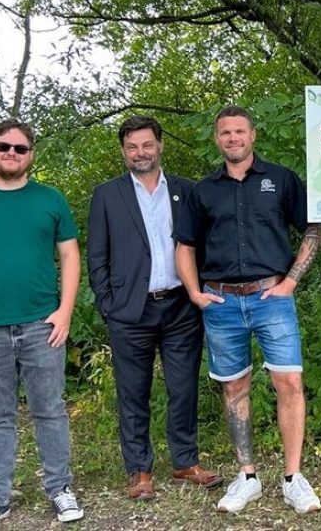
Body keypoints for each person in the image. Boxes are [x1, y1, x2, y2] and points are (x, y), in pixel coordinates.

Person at [175, 105, 321, 514]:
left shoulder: (281, 180)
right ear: (217, 139)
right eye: (225, 133)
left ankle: (293, 478)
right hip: (220, 303)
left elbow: (313, 227)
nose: (233, 138)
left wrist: (291, 280)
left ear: (253, 135)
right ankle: (248, 477)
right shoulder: (203, 191)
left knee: (289, 383)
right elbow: (184, 245)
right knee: (234, 387)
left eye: (240, 131)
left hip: (270, 298)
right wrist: (194, 292)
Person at [0, 119, 85, 530]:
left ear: (31, 155)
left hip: (42, 325)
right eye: (4, 146)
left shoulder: (50, 199)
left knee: (50, 411)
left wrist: (65, 311)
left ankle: (60, 489)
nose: (11, 153)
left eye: (20, 148)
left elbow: (71, 256)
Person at [87, 115, 224, 501]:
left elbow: (204, 246)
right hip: (130, 311)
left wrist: (201, 290)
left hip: (181, 306)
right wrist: (110, 306)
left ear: (160, 145)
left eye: (146, 145)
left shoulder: (187, 191)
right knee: (133, 393)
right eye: (132, 147)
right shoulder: (107, 195)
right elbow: (97, 257)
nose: (140, 153)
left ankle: (185, 462)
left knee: (183, 388)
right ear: (123, 151)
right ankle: (140, 470)